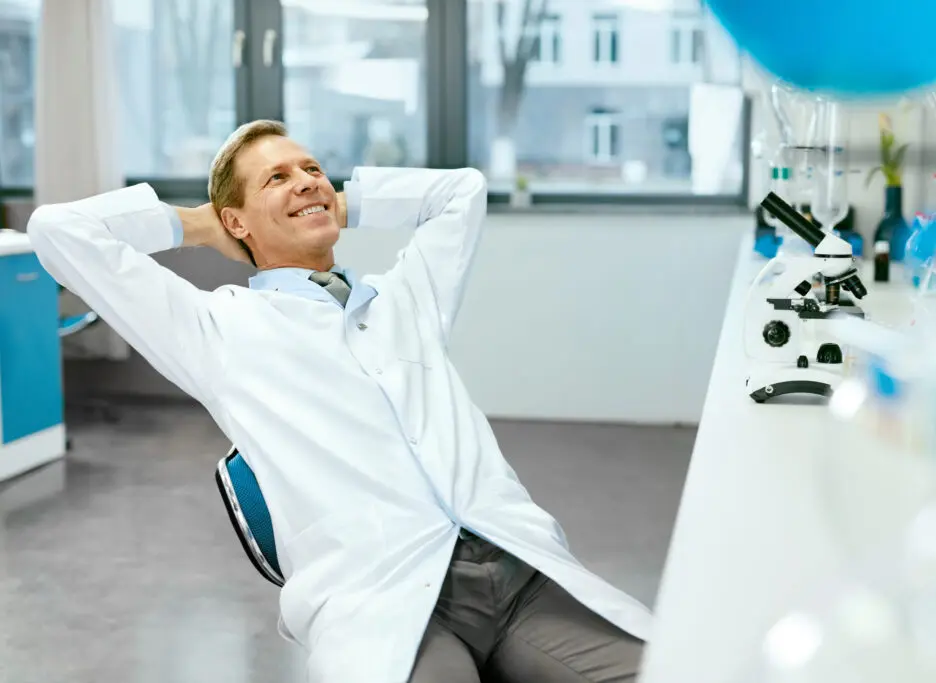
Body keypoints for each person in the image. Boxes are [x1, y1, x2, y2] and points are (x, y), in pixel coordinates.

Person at [27, 120, 652, 682]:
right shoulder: (218, 329)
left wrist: (320, 204)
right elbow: (57, 231)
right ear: (235, 220)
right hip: (384, 598)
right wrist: (201, 224)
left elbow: (460, 192)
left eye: (313, 170)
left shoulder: (405, 299)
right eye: (277, 177)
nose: (305, 181)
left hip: (517, 573)